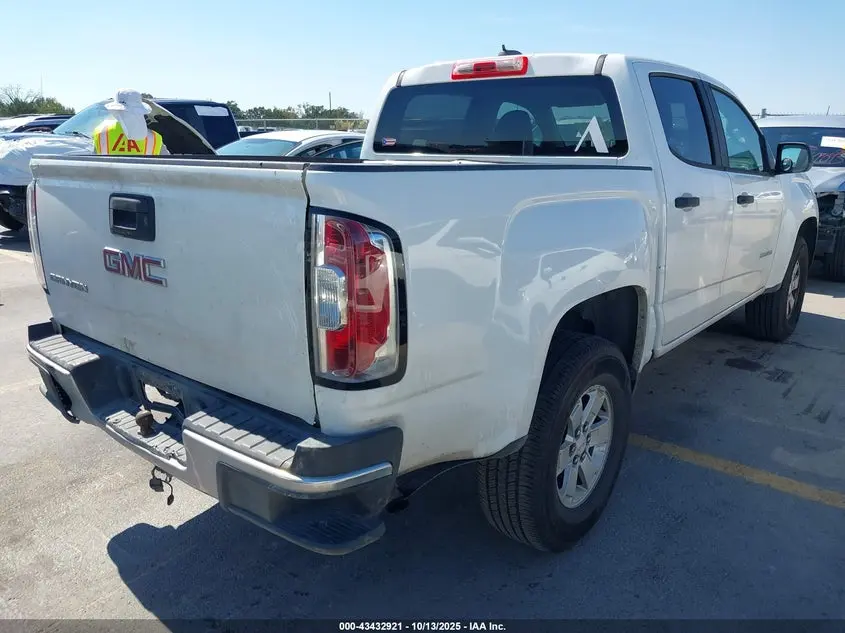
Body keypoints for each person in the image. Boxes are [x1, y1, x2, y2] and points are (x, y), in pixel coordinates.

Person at [92, 89, 167, 155]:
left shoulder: (100, 133)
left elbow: (93, 165)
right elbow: (167, 166)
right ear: (140, 111)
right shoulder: (154, 138)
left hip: (109, 171)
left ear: (116, 109)